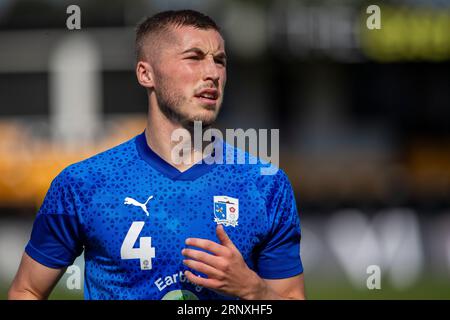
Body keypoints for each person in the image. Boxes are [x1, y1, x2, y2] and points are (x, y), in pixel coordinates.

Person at [8, 9, 305, 300]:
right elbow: (27, 289)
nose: (212, 73)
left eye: (220, 61)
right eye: (194, 57)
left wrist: (254, 291)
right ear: (146, 73)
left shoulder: (266, 185)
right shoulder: (83, 183)